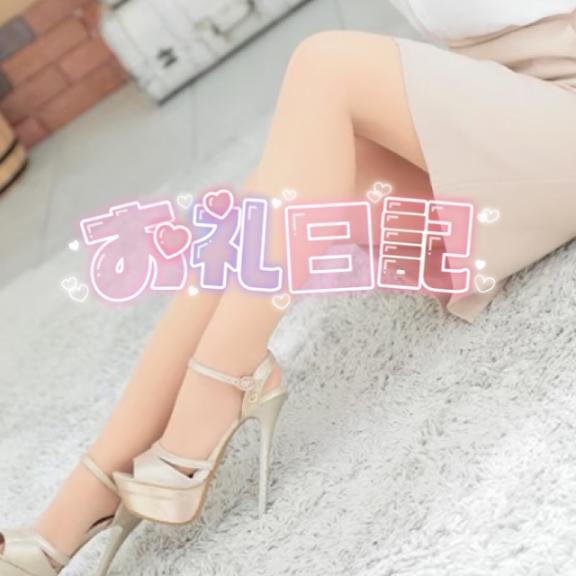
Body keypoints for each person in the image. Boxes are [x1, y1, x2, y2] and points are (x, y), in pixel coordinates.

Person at [2, 1, 576, 574]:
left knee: (327, 65)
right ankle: (83, 499)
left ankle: (222, 386)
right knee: (269, 198)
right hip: (500, 114)